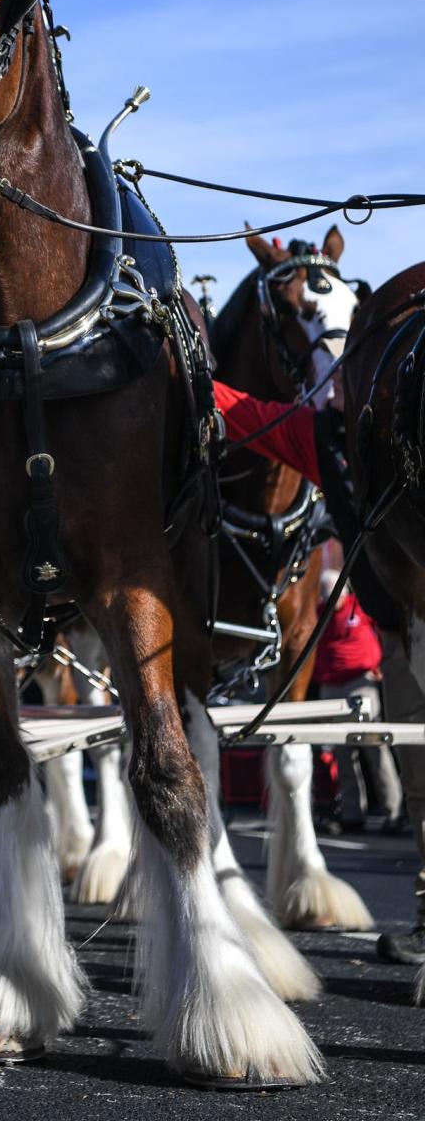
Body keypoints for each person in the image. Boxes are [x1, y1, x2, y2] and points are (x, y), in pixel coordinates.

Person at [214, 375, 425, 966]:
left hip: (403, 628)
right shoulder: (330, 436)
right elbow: (248, 412)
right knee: (420, 781)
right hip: (404, 630)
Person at [313, 569, 404, 834]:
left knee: (374, 748)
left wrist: (383, 662)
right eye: (326, 593)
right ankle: (353, 813)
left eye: (333, 592)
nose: (330, 598)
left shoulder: (360, 606)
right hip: (331, 686)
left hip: (360, 684)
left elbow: (382, 628)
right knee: (342, 754)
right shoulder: (320, 612)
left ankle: (393, 812)